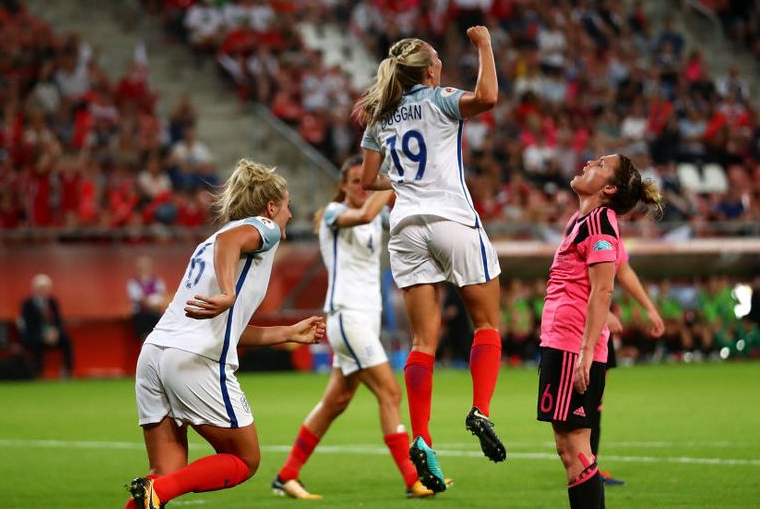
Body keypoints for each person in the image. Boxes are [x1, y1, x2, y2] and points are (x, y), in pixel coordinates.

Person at [125, 159, 327, 509]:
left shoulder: (209, 243)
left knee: (165, 472)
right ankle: (158, 492)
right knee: (245, 459)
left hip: (155, 353)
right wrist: (230, 291)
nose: (290, 215)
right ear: (270, 206)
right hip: (192, 360)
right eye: (288, 205)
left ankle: (154, 492)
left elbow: (225, 329)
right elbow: (233, 241)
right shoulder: (262, 229)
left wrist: (288, 332)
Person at [358, 27, 504, 492]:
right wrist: (483, 45)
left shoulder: (380, 115)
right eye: (438, 60)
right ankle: (481, 408)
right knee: (486, 325)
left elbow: (368, 180)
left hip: (404, 229)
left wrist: (403, 182)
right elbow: (488, 97)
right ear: (429, 70)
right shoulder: (439, 99)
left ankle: (421, 437)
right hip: (451, 219)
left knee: (423, 340)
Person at [271, 156, 436, 500]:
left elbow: (402, 217)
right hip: (347, 316)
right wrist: (392, 180)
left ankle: (286, 475)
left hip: (364, 320)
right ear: (343, 185)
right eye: (356, 181)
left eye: (368, 180)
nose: (363, 186)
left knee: (336, 401)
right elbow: (363, 214)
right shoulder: (334, 214)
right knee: (390, 393)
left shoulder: (378, 218)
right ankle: (413, 479)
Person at [536, 153, 663, 509]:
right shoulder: (585, 220)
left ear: (608, 188)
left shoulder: (599, 224)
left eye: (602, 164)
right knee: (571, 447)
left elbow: (604, 288)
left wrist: (587, 351)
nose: (591, 160)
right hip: (565, 340)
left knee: (575, 449)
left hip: (571, 344)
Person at [594, 260, 665, 486]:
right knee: (585, 401)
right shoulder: (591, 226)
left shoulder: (612, 231)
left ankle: (589, 468)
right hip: (583, 324)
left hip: (598, 329)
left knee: (595, 402)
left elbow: (623, 269)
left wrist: (650, 308)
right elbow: (576, 273)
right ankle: (585, 470)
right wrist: (601, 310)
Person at [20, 273, 74, 378]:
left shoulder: (53, 302)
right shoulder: (27, 304)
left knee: (66, 339)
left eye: (45, 288)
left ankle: (68, 370)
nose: (43, 290)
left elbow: (59, 321)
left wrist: (55, 333)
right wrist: (43, 334)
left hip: (53, 334)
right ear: (34, 289)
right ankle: (38, 372)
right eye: (40, 288)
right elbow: (29, 325)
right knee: (36, 342)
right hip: (35, 334)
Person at [127, 256, 168, 339]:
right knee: (145, 338)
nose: (144, 268)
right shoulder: (133, 283)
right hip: (141, 316)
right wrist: (154, 302)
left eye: (146, 266)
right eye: (141, 266)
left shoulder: (157, 281)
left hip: (156, 314)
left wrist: (157, 302)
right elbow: (141, 300)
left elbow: (163, 297)